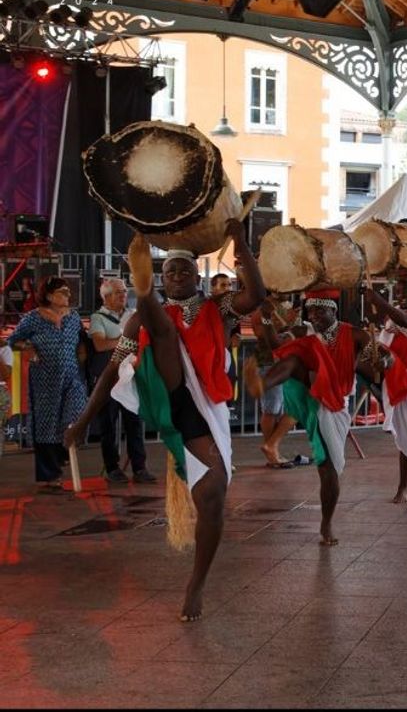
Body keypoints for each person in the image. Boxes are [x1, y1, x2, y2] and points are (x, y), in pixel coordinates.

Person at [68, 223, 266, 622]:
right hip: (163, 397)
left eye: (184, 271)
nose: (176, 276)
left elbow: (257, 295)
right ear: (162, 277)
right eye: (169, 272)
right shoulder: (137, 321)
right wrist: (82, 420)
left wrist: (241, 242)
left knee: (212, 499)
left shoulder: (218, 308)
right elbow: (110, 371)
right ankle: (144, 295)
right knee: (158, 329)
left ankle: (197, 584)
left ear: (198, 276)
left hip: (202, 412)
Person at [245, 288, 384, 545]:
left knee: (328, 468)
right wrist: (264, 318)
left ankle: (326, 523)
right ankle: (262, 385)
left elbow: (379, 363)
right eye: (311, 311)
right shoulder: (303, 332)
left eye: (321, 310)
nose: (315, 316)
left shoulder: (355, 334)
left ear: (334, 310)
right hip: (307, 393)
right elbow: (275, 344)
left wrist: (381, 363)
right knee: (294, 360)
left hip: (334, 404)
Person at [9, 277, 88, 492]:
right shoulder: (32, 318)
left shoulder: (73, 318)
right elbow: (13, 339)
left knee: (75, 414)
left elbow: (81, 342)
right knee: (46, 424)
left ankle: (63, 453)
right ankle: (50, 476)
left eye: (68, 292)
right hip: (44, 379)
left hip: (71, 377)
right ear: (50, 295)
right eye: (63, 292)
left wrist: (81, 357)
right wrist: (30, 349)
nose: (68, 295)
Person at [363, 277, 407, 504]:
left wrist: (381, 302)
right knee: (357, 360)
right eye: (398, 291)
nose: (402, 295)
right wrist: (371, 306)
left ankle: (403, 487)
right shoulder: (389, 317)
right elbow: (383, 342)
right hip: (390, 377)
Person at [87, 277, 154, 484]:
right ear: (106, 296)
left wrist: (120, 342)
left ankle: (139, 467)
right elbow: (100, 344)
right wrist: (128, 341)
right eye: (118, 292)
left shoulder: (133, 315)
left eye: (124, 291)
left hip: (131, 377)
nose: (124, 295)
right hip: (109, 378)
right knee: (108, 424)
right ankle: (112, 468)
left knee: (134, 422)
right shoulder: (98, 318)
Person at [249, 295, 299, 467]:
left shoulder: (284, 305)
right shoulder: (262, 309)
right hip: (268, 361)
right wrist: (286, 323)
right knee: (271, 409)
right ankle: (271, 450)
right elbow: (266, 337)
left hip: (284, 362)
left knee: (291, 407)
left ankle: (271, 446)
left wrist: (290, 323)